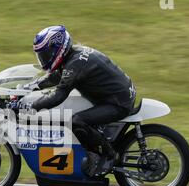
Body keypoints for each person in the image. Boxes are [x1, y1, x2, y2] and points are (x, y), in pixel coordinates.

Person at [11, 25, 136, 177]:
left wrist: (28, 106)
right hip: (114, 95)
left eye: (46, 53)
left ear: (58, 48)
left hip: (117, 102)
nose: (44, 58)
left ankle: (107, 155)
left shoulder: (75, 64)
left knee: (77, 121)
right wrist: (29, 87)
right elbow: (56, 76)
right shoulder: (72, 56)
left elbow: (58, 96)